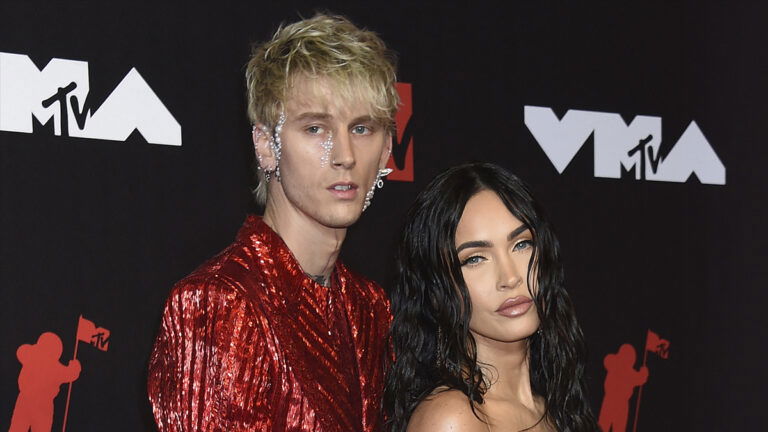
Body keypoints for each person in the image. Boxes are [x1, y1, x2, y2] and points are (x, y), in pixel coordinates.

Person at [147, 13, 399, 431]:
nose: (345, 155)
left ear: (387, 147)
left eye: (361, 128)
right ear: (266, 145)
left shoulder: (371, 308)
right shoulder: (218, 303)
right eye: (315, 128)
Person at [384, 162, 598, 431]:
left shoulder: (556, 409)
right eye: (474, 259)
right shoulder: (452, 419)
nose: (510, 278)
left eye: (521, 244)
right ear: (437, 289)